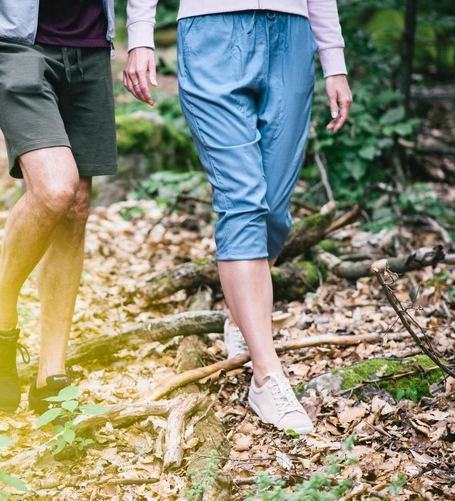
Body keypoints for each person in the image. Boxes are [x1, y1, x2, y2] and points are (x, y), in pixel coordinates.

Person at [124, 0, 352, 434]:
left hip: (292, 35)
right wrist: (140, 36)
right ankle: (266, 375)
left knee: (275, 211)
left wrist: (334, 62)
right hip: (211, 30)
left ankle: (239, 316)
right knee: (243, 200)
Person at [0, 0, 118, 414]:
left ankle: (52, 376)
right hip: (9, 33)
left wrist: (141, 35)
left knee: (76, 206)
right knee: (54, 188)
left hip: (89, 39)